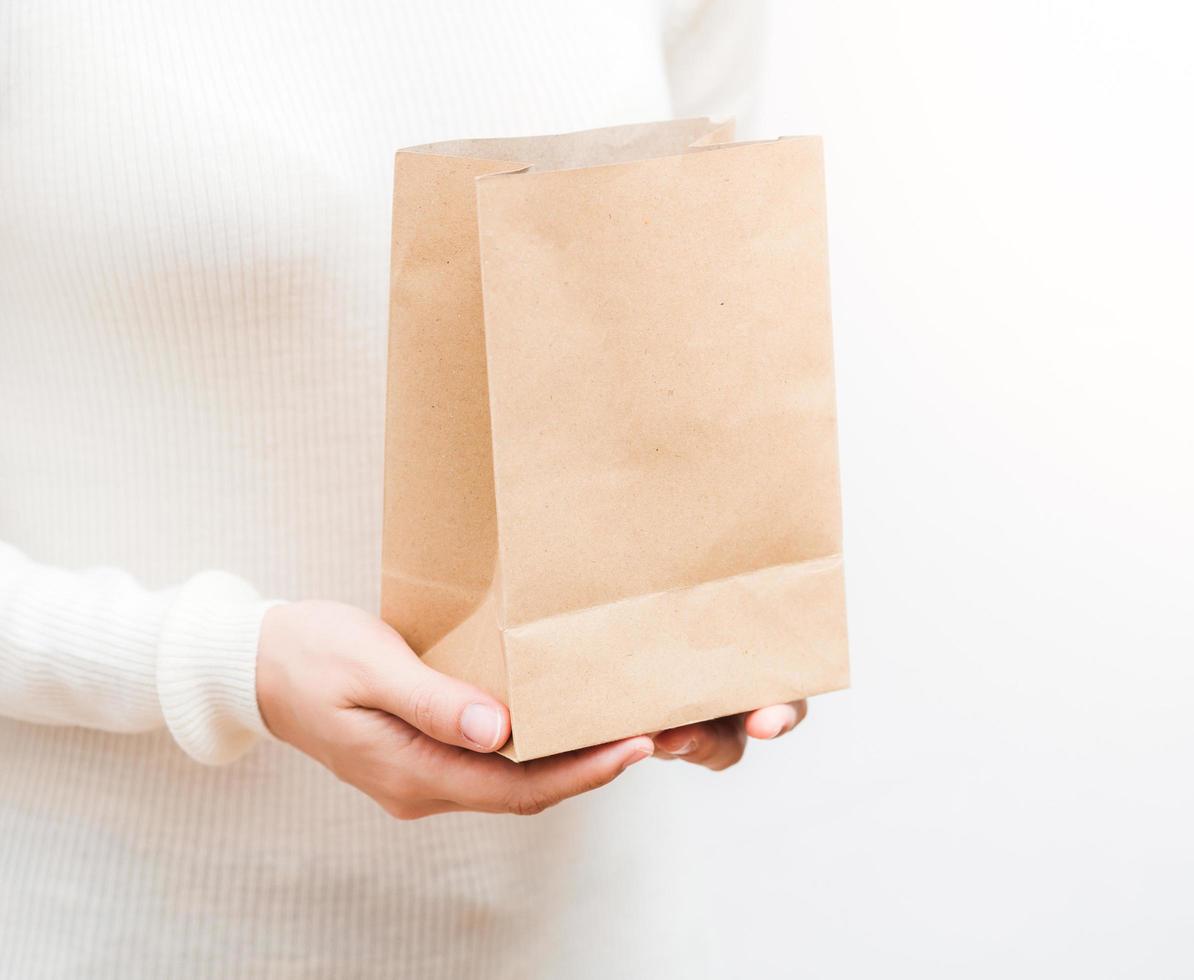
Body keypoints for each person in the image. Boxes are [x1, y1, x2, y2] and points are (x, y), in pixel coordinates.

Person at [0, 2, 805, 975]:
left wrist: (727, 615)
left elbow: (695, 324)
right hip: (125, 926)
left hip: (585, 925)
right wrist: (217, 662)